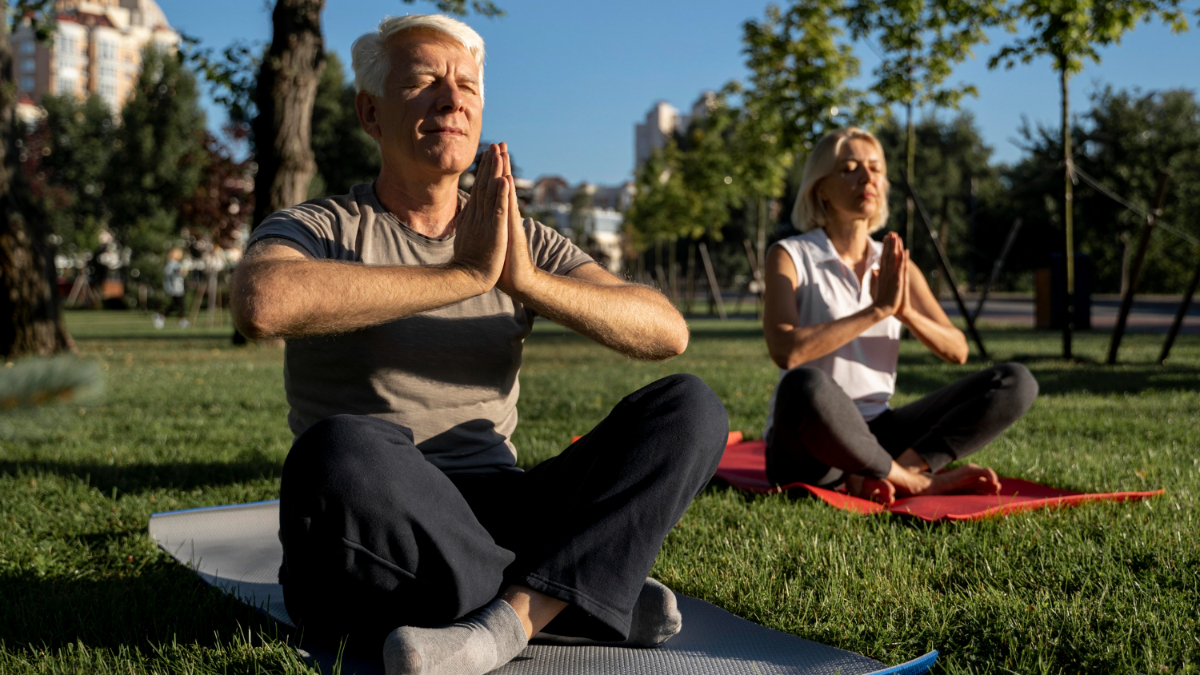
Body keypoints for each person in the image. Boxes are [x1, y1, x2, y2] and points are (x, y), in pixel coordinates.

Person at [228, 14, 728, 675]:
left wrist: (526, 280)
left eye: (467, 84)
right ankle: (573, 593)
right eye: (425, 81)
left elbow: (666, 330)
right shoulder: (320, 226)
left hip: (500, 503)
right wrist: (456, 277)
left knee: (689, 407)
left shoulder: (515, 236)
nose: (452, 97)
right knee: (336, 447)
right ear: (371, 113)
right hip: (378, 512)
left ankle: (514, 616)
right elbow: (262, 303)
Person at [761, 127, 1038, 505]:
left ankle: (896, 470)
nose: (867, 178)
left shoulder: (893, 265)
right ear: (820, 188)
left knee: (1015, 381)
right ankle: (914, 482)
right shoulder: (790, 255)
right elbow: (786, 352)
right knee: (804, 384)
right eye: (850, 168)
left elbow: (957, 349)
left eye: (876, 169)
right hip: (809, 446)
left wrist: (905, 311)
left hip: (879, 431)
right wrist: (877, 311)